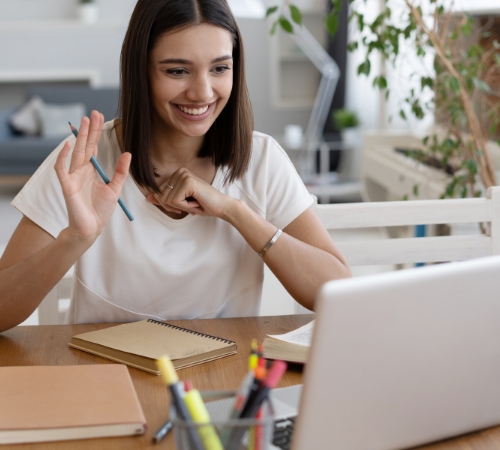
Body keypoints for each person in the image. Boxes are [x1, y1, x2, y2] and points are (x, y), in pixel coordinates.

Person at [0, 0, 351, 332]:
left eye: (220, 68)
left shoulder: (262, 159)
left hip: (225, 386)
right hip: (108, 385)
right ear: (141, 70)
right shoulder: (85, 161)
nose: (202, 92)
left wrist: (236, 212)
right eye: (178, 70)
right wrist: (74, 240)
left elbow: (337, 291)